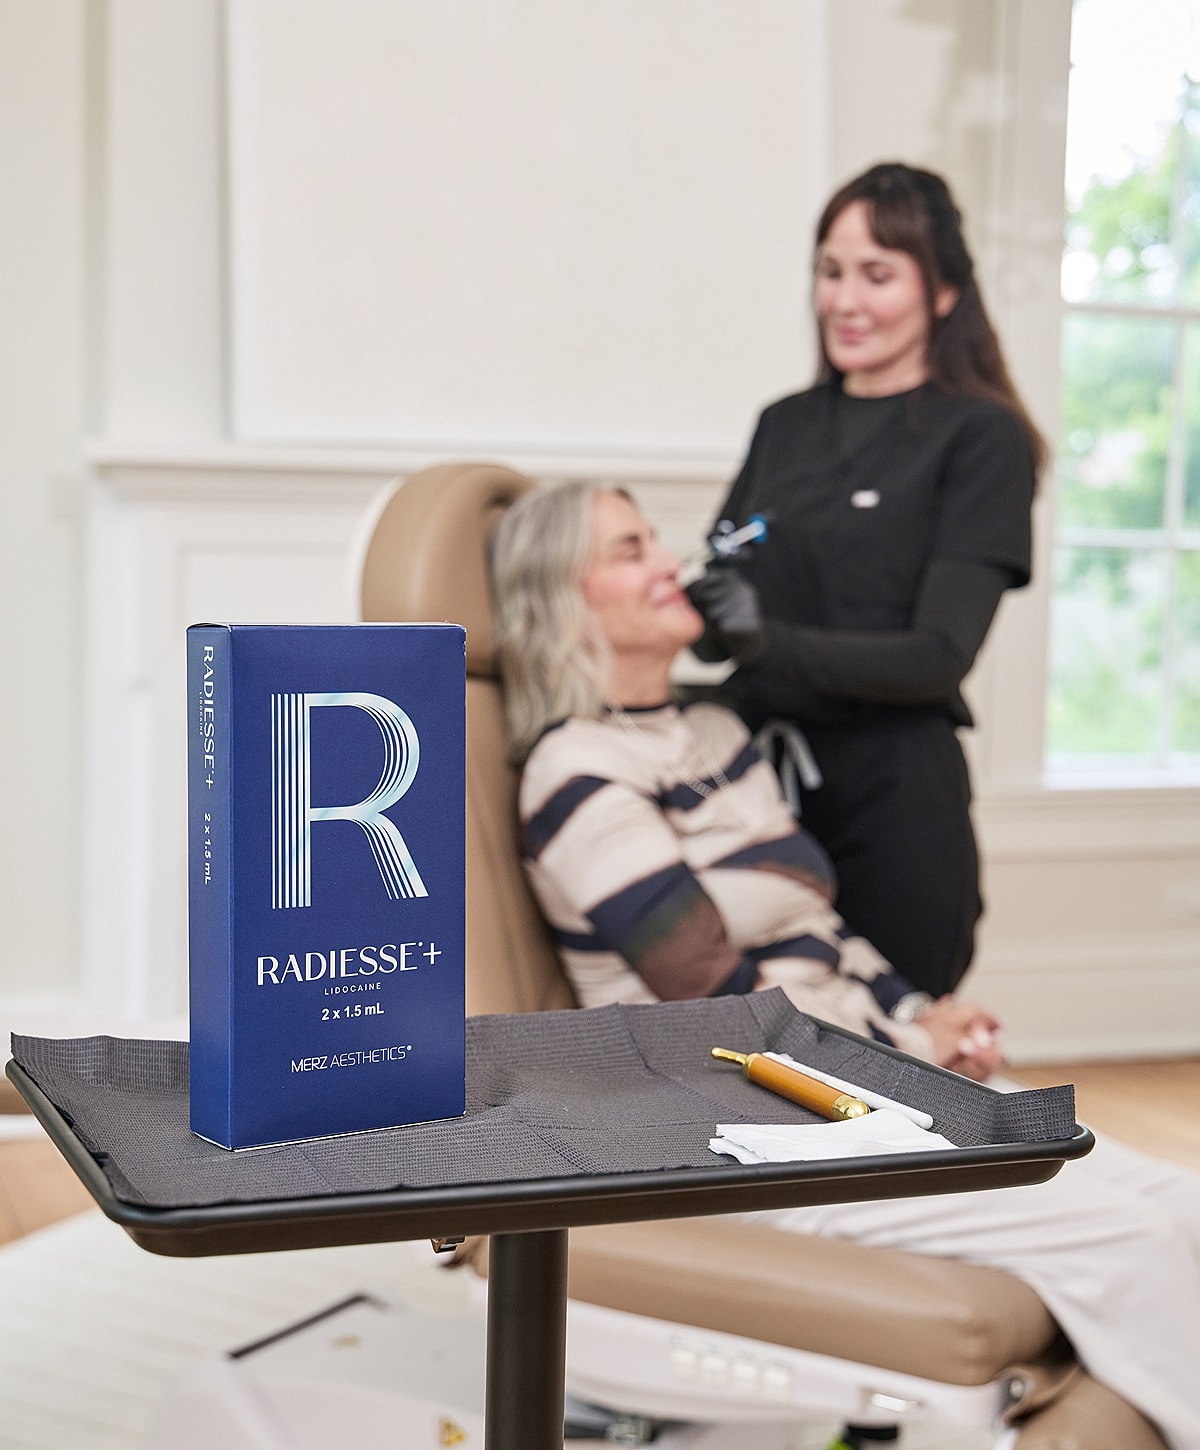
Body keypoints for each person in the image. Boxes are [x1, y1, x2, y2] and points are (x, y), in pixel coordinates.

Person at [489, 479, 1200, 1450]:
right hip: (753, 1124)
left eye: (656, 539)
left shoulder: (716, 735)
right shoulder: (577, 774)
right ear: (561, 603)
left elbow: (818, 926)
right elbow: (711, 1003)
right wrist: (907, 1049)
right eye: (628, 550)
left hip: (855, 1079)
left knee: (1183, 1201)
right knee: (1139, 1241)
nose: (668, 560)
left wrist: (917, 1008)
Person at [686, 161, 1046, 999]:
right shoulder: (785, 425)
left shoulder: (980, 439)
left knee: (898, 1042)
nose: (846, 301)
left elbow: (937, 655)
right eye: (831, 271)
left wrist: (764, 641)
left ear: (944, 291)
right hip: (758, 792)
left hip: (893, 800)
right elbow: (717, 616)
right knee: (755, 1037)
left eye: (877, 275)